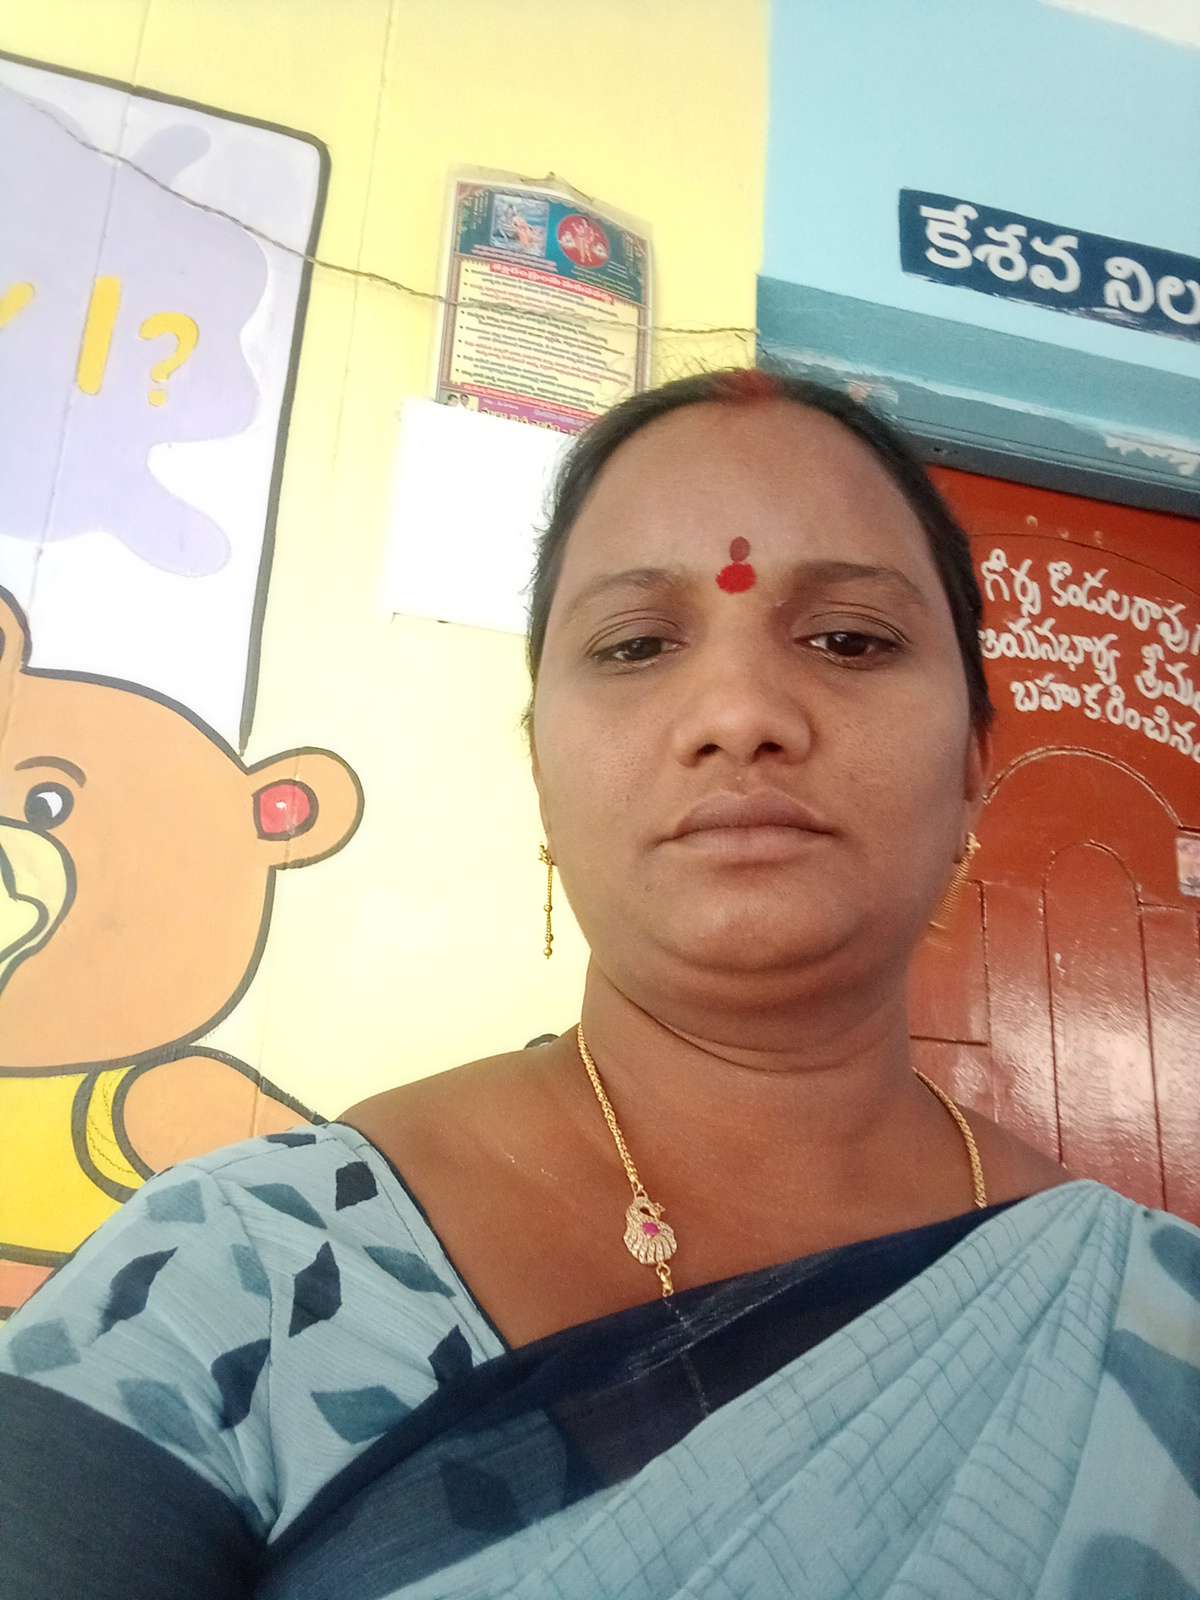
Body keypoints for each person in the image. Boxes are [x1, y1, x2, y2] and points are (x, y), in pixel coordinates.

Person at [3, 370, 1198, 1599]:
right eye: (635, 645)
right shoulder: (235, 1278)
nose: (740, 712)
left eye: (849, 638)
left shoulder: (1156, 1318)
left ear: (973, 770)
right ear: (541, 774)